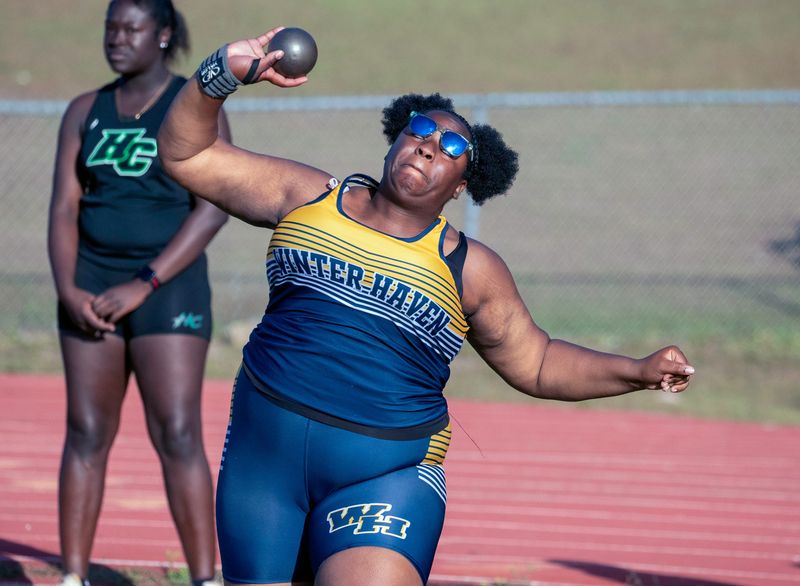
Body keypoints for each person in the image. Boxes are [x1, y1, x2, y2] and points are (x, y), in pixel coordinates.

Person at [157, 28, 695, 586]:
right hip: (262, 459)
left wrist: (636, 371)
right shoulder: (308, 197)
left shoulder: (470, 268)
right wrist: (219, 72)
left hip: (385, 474)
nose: (430, 145)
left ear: (461, 185)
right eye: (420, 130)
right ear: (394, 140)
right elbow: (188, 154)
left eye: (452, 147)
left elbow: (536, 362)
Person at [47, 1, 231, 585]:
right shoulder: (85, 110)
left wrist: (144, 282)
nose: (117, 38)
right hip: (91, 287)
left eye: (131, 28)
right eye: (110, 28)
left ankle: (205, 578)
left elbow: (213, 209)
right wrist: (69, 289)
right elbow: (63, 209)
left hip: (166, 288)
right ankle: (73, 577)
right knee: (85, 432)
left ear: (164, 35)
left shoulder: (193, 105)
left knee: (177, 431)